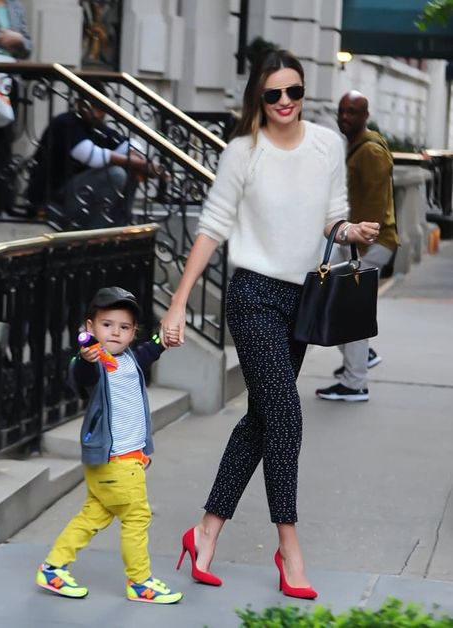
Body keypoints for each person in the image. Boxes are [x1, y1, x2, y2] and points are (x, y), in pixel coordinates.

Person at [160, 50, 380, 599]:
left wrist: (350, 231)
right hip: (253, 295)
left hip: (302, 298)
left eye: (295, 92)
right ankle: (289, 547)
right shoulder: (243, 153)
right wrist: (178, 301)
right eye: (274, 94)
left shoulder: (327, 144)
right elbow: (212, 228)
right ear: (258, 99)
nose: (286, 103)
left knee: (261, 420)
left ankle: (204, 532)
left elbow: (331, 215)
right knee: (286, 416)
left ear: (304, 92)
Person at [35, 286, 183, 604]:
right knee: (136, 517)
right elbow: (81, 371)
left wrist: (163, 339)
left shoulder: (130, 358)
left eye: (124, 327)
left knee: (94, 514)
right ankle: (140, 581)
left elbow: (151, 351)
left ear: (133, 333)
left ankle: (53, 568)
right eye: (107, 324)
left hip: (121, 461)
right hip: (116, 461)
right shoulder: (95, 364)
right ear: (90, 328)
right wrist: (87, 355)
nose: (115, 332)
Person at [315, 91, 400, 402]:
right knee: (334, 303)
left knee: (349, 308)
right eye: (342, 111)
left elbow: (376, 207)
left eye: (352, 112)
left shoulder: (371, 152)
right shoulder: (355, 145)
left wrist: (359, 246)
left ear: (365, 116)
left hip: (369, 242)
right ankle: (361, 357)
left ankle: (355, 382)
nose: (345, 117)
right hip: (355, 240)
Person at [27, 80, 162, 228]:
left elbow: (130, 144)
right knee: (116, 174)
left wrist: (142, 162)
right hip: (54, 197)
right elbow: (91, 156)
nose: (101, 114)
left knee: (131, 169)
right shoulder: (66, 122)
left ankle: (120, 226)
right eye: (95, 107)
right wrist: (142, 163)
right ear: (80, 105)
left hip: (79, 194)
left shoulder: (98, 128)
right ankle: (97, 232)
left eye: (102, 108)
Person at [0, 0, 32, 213]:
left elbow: (28, 46)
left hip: (9, 81)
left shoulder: (16, 6)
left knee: (5, 139)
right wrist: (2, 38)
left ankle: (0, 202)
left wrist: (18, 39)